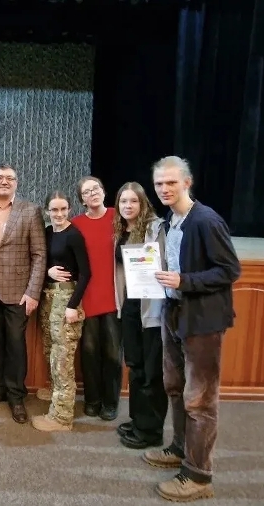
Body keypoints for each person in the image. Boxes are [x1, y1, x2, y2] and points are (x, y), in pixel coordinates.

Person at [146, 156, 240, 502]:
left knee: (200, 399)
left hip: (202, 321)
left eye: (171, 182)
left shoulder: (205, 220)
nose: (164, 189)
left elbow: (229, 270)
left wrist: (184, 281)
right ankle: (179, 448)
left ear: (187, 182)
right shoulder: (171, 220)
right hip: (175, 314)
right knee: (175, 387)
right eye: (159, 183)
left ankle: (199, 476)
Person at [0, 164, 46, 424]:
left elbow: (39, 254)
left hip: (19, 292)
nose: (4, 181)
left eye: (10, 178)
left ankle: (16, 395)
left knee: (15, 343)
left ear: (16, 182)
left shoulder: (30, 210)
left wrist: (33, 292)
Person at [112, 182, 168, 449]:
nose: (128, 206)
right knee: (135, 365)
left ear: (143, 203)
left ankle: (151, 431)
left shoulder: (156, 229)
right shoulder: (120, 230)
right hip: (130, 306)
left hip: (151, 308)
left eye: (133, 201)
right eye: (123, 201)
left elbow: (166, 263)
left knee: (151, 370)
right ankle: (138, 420)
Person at [32, 190, 90, 432]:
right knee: (51, 349)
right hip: (49, 297)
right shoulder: (47, 233)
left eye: (63, 209)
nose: (59, 214)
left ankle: (62, 416)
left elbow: (86, 273)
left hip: (67, 298)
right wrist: (48, 271)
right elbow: (41, 261)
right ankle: (56, 392)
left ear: (69, 209)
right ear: (47, 211)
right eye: (54, 209)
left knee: (62, 357)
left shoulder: (74, 235)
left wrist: (72, 306)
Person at [72, 176, 122, 420]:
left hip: (113, 295)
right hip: (87, 295)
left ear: (103, 191)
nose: (92, 193)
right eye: (86, 192)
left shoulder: (118, 217)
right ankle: (92, 400)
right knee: (89, 352)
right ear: (82, 200)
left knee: (113, 353)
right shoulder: (76, 224)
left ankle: (110, 402)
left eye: (95, 189)